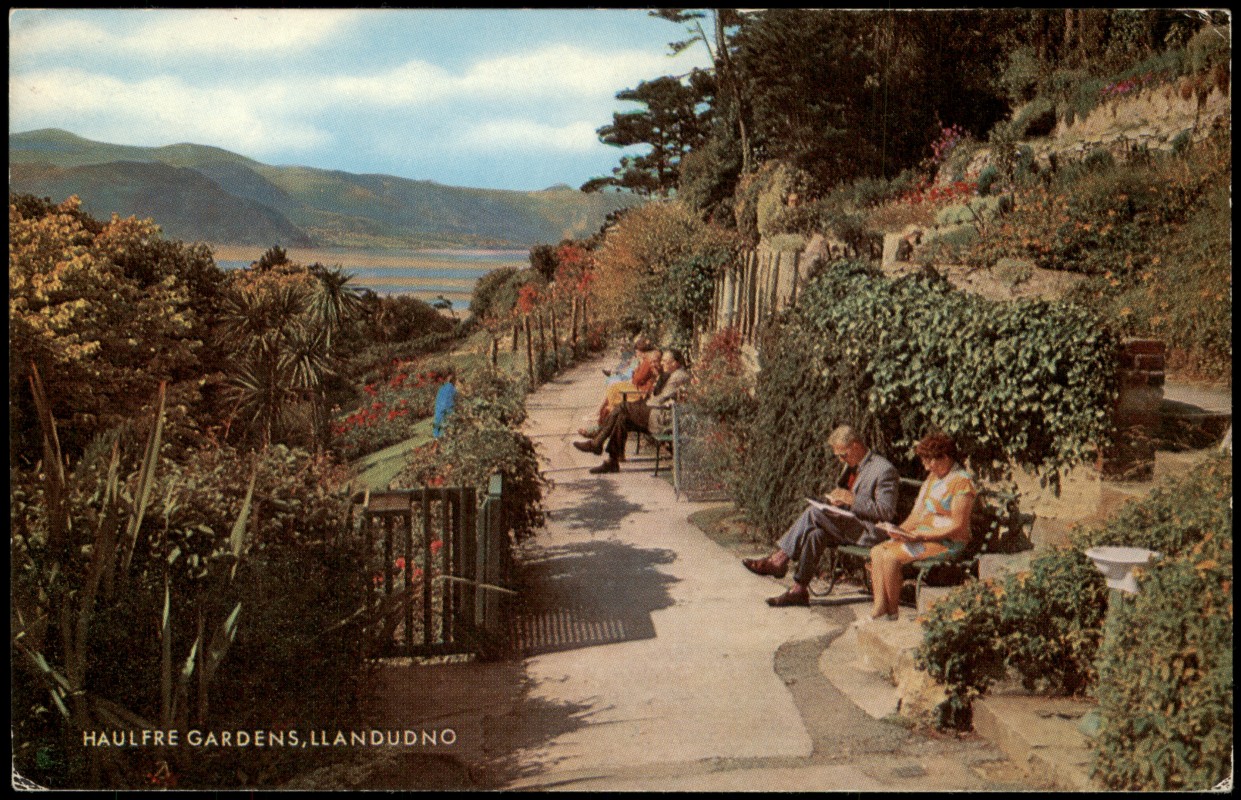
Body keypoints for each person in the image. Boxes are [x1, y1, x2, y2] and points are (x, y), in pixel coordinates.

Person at [742, 425, 900, 607]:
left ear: (855, 446)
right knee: (817, 534)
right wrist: (836, 501)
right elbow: (849, 500)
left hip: (868, 531)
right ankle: (799, 590)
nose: (841, 460)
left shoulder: (883, 469)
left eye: (843, 455)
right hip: (848, 525)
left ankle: (779, 560)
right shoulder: (852, 466)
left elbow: (886, 511)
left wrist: (852, 500)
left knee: (813, 513)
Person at [869, 432, 975, 621]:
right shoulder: (933, 479)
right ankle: (879, 607)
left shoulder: (962, 482)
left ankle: (891, 613)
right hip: (922, 536)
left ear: (945, 457)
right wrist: (897, 531)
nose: (926, 467)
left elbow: (958, 525)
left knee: (891, 557)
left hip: (947, 541)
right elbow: (917, 515)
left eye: (929, 461)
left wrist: (921, 536)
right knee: (877, 551)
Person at [574, 349, 690, 474]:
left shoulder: (679, 376)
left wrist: (645, 403)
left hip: (661, 419)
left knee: (623, 407)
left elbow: (659, 400)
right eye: (662, 361)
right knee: (621, 418)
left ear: (675, 363)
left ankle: (597, 444)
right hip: (656, 413)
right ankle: (611, 461)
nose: (662, 363)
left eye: (665, 361)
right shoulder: (672, 374)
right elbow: (657, 395)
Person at [579, 339, 661, 437]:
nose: (636, 353)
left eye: (637, 351)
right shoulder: (644, 361)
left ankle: (601, 424)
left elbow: (637, 380)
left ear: (642, 352)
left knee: (614, 389)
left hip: (641, 392)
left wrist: (635, 372)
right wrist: (635, 372)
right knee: (613, 388)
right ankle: (600, 423)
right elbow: (636, 378)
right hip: (639, 388)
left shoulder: (647, 362)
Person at [432, 366, 457, 438]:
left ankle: (437, 436)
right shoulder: (450, 388)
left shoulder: (441, 389)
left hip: (441, 416)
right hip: (448, 415)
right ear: (450, 377)